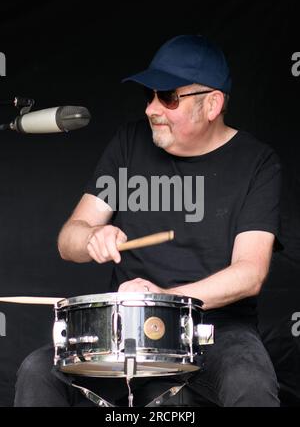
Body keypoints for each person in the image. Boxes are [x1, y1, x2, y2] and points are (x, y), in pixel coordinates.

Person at [14, 34, 281, 407]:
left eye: (168, 97)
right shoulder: (129, 144)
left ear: (212, 104)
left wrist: (163, 303)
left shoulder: (256, 163)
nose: (152, 109)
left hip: (214, 330)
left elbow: (249, 273)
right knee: (36, 371)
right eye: (150, 96)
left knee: (250, 383)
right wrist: (92, 235)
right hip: (123, 329)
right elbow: (68, 241)